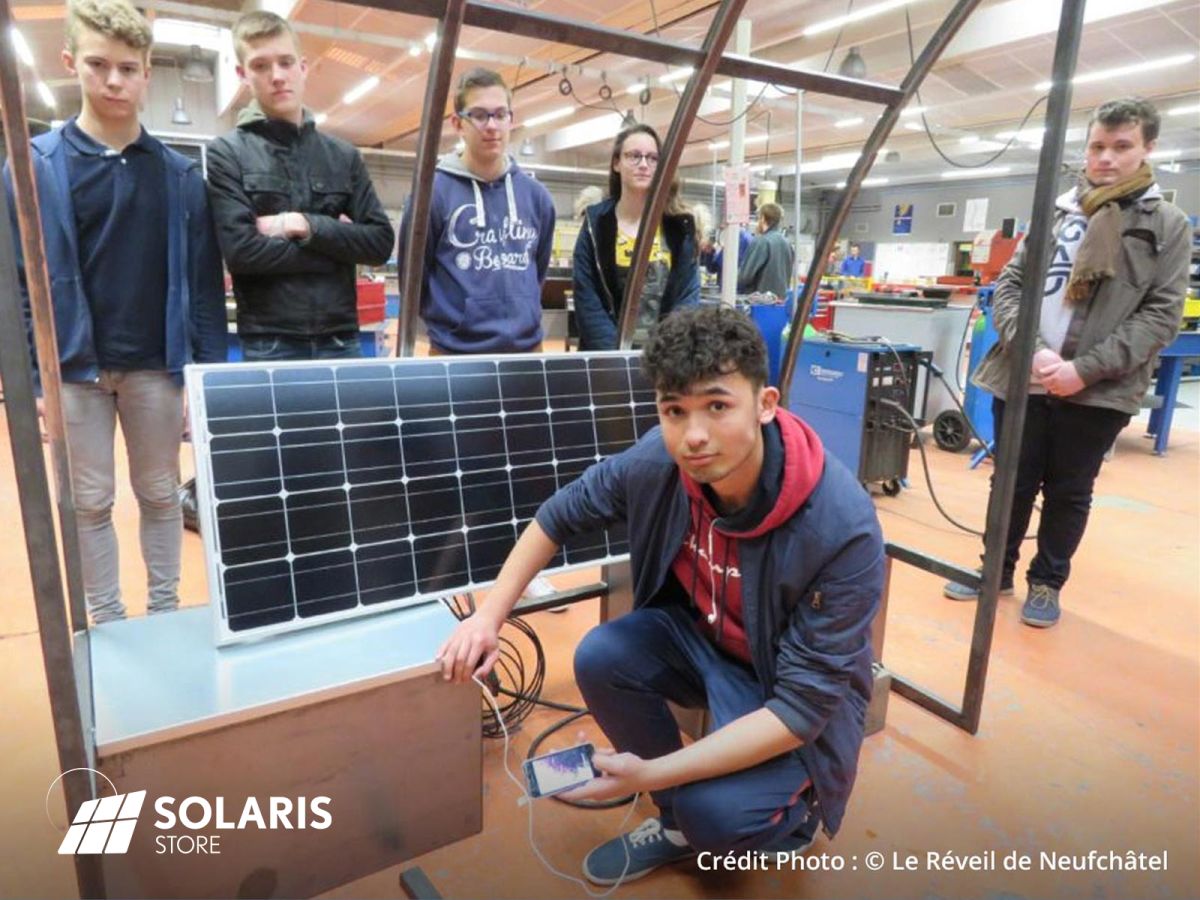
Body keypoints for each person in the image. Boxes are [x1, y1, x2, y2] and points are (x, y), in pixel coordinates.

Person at [438, 305, 884, 884]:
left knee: (715, 817)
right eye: (675, 411)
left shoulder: (840, 526)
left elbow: (801, 709)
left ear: (766, 405)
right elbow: (558, 516)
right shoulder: (660, 462)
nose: (693, 436)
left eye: (717, 406)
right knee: (602, 655)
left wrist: (650, 773)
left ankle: (789, 816)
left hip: (791, 691)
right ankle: (676, 824)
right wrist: (488, 618)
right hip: (707, 641)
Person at [3, 0, 226, 623]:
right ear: (71, 61)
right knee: (89, 503)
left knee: (160, 496)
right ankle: (106, 621)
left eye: (128, 68)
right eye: (98, 65)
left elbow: (204, 286)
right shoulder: (33, 168)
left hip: (157, 368)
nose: (113, 81)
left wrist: (202, 379)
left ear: (148, 71)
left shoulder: (181, 178)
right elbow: (19, 283)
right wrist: (31, 378)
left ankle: (163, 617)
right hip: (74, 372)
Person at [944, 97, 1188, 628]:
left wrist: (1084, 368)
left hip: (1098, 389)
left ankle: (1046, 583)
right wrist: (1029, 349)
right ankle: (995, 571)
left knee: (1069, 490)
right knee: (1010, 480)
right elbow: (1011, 285)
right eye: (1098, 146)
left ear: (1148, 148)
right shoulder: (1057, 212)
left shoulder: (1167, 224)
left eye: (1121, 147)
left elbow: (1162, 316)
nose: (1105, 158)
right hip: (1022, 374)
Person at [205, 10, 394, 362]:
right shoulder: (227, 153)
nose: (277, 76)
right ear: (242, 74)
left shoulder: (343, 155)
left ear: (303, 67)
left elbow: (380, 243)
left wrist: (303, 225)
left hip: (341, 339)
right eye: (261, 66)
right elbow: (242, 254)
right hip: (269, 342)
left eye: (286, 62)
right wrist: (337, 250)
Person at [399, 67, 556, 355]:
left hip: (528, 351)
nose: (492, 125)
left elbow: (538, 271)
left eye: (500, 114)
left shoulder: (538, 198)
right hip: (454, 353)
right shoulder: (429, 196)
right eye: (480, 115)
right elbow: (412, 282)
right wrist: (455, 323)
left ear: (511, 120)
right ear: (458, 124)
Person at [573, 124, 700, 349]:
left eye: (652, 158)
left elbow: (686, 298)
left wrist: (663, 355)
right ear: (616, 163)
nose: (643, 164)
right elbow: (588, 300)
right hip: (606, 362)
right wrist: (616, 359)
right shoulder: (595, 225)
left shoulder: (680, 228)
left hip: (665, 361)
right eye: (634, 156)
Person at [737, 201, 795, 297]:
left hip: (760, 303)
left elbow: (745, 277)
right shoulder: (787, 243)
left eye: (758, 219)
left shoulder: (761, 242)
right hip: (781, 302)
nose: (757, 223)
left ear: (763, 218)